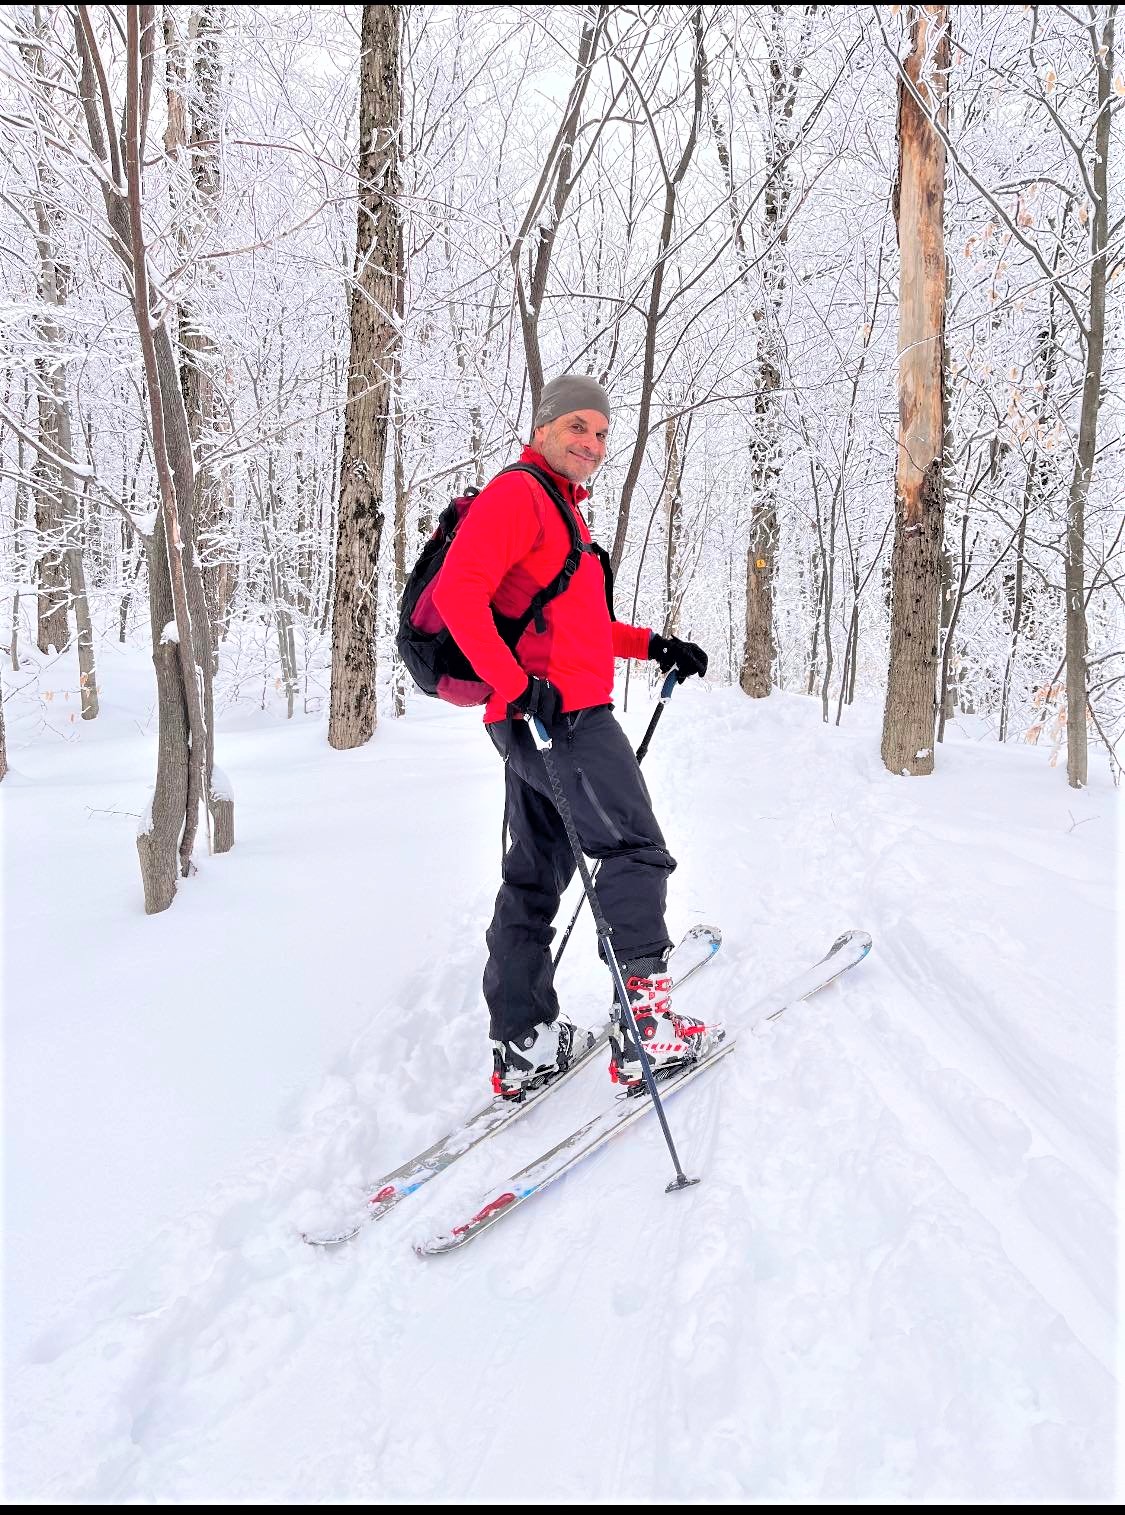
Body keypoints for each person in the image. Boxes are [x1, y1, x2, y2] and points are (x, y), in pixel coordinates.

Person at [432, 374, 708, 1100]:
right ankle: (646, 1032)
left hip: (533, 720)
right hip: (560, 719)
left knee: (535, 872)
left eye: (601, 432)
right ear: (545, 426)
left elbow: (572, 625)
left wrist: (651, 644)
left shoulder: (561, 513)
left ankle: (524, 1041)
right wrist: (517, 686)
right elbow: (459, 592)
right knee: (634, 850)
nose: (591, 442)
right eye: (577, 427)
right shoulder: (520, 494)